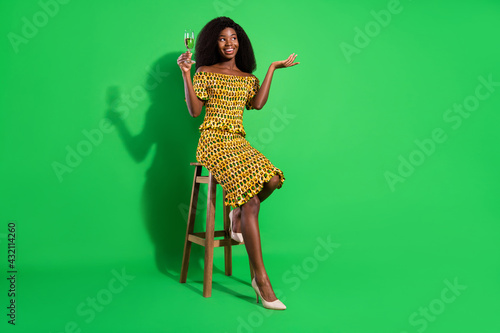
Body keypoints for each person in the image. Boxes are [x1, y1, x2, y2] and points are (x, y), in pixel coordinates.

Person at [177, 16, 299, 310]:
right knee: (252, 204)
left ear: (239, 42)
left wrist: (272, 68)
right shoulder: (204, 72)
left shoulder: (247, 78)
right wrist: (185, 74)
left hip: (238, 142)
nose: (228, 43)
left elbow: (256, 104)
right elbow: (195, 112)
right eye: (222, 38)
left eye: (233, 38)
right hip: (214, 142)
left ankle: (236, 217)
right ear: (212, 43)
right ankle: (262, 281)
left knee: (271, 179)